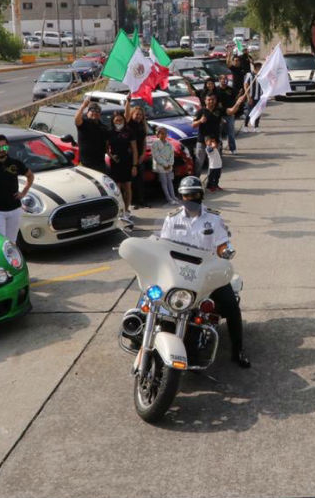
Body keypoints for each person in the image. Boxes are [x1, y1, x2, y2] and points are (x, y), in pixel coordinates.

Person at [160, 176, 250, 368]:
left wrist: (225, 250)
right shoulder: (172, 219)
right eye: (186, 196)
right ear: (180, 197)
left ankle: (238, 350)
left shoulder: (213, 218)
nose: (190, 200)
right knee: (152, 301)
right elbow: (162, 248)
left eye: (194, 195)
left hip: (207, 274)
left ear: (201, 196)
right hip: (178, 274)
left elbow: (221, 244)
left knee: (231, 307)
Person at [106, 111, 138, 221]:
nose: (119, 122)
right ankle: (120, 210)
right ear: (113, 121)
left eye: (121, 120)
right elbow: (106, 148)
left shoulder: (129, 132)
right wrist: (111, 156)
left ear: (124, 121)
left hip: (127, 162)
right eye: (116, 121)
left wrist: (134, 165)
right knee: (117, 187)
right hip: (115, 163)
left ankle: (126, 209)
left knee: (127, 187)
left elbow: (134, 150)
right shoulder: (109, 132)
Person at [125, 101, 150, 207]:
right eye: (137, 114)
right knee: (131, 180)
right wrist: (128, 102)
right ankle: (132, 201)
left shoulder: (142, 126)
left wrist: (143, 154)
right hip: (129, 156)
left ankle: (141, 200)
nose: (138, 116)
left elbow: (144, 141)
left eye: (140, 115)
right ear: (132, 114)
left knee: (140, 180)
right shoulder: (129, 124)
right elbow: (126, 114)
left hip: (139, 155)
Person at [73, 99, 108, 173]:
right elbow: (76, 119)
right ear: (87, 113)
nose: (95, 113)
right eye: (92, 111)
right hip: (85, 165)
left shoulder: (103, 127)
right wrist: (83, 106)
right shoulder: (84, 123)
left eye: (97, 111)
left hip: (100, 164)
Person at [149, 127, 179, 204]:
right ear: (157, 134)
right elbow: (156, 156)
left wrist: (170, 164)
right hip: (160, 166)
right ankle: (169, 198)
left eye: (165, 133)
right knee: (164, 182)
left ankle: (173, 196)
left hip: (168, 166)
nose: (163, 135)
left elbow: (172, 155)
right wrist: (165, 164)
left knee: (170, 181)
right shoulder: (155, 144)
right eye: (161, 133)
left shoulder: (169, 143)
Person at [216, 74, 239, 154]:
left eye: (225, 79)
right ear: (219, 80)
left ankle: (232, 148)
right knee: (218, 133)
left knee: (231, 132)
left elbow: (235, 99)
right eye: (222, 79)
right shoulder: (216, 90)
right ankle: (219, 149)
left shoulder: (231, 90)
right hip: (219, 114)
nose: (224, 80)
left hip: (229, 114)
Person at [242, 61, 263, 131]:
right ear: (256, 68)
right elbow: (245, 86)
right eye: (259, 67)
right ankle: (245, 126)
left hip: (259, 97)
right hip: (251, 97)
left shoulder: (261, 75)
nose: (261, 69)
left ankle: (256, 127)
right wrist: (248, 97)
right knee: (249, 112)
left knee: (258, 112)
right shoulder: (250, 75)